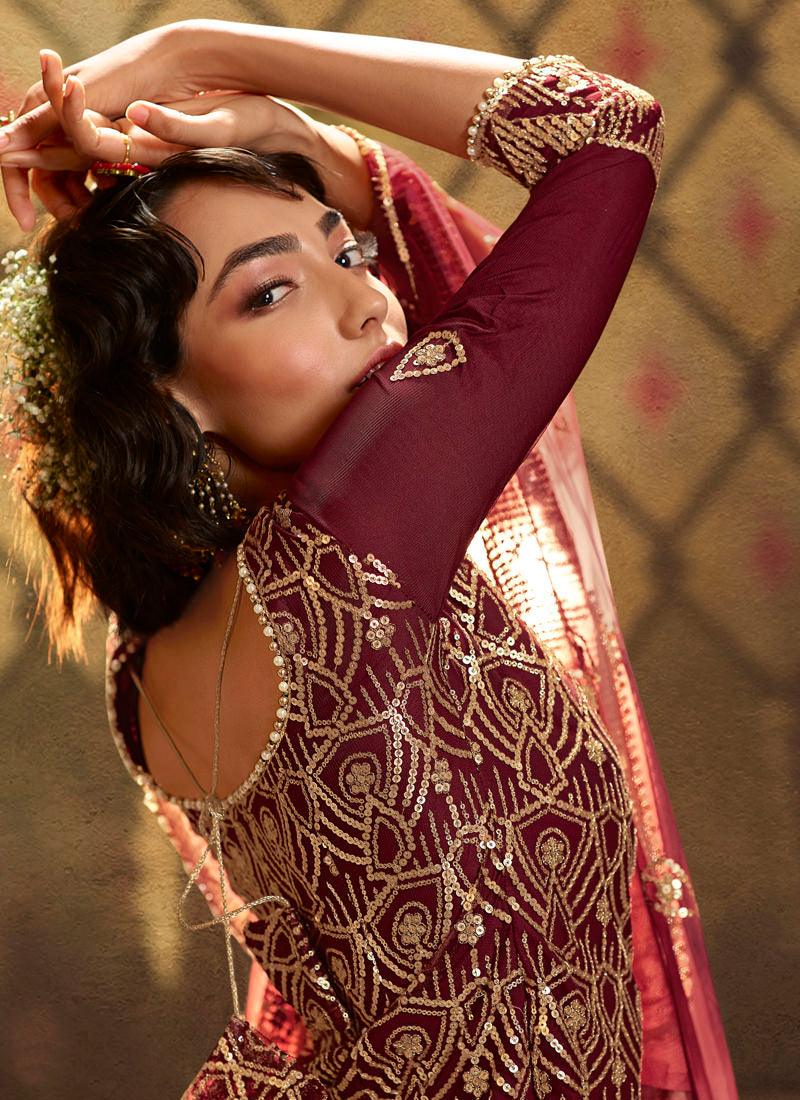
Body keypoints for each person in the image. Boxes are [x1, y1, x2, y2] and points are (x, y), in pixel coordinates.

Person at [0, 21, 737, 1098]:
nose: (369, 303)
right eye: (269, 290)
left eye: (347, 251)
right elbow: (603, 132)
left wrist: (289, 142)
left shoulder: (148, 648)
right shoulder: (357, 543)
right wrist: (209, 50)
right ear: (166, 398)